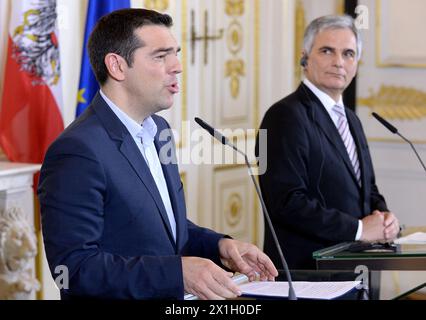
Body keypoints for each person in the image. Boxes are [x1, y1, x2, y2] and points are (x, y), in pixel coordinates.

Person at [38, 8, 277, 300]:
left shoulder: (158, 129)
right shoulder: (77, 151)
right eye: (161, 56)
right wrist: (177, 274)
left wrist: (219, 246)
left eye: (175, 54)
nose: (177, 66)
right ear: (117, 66)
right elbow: (73, 270)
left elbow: (162, 229)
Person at [256, 15, 400, 269]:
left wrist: (385, 218)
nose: (338, 62)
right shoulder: (283, 116)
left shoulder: (352, 119)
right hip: (308, 272)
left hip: (354, 265)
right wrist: (358, 229)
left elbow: (367, 189)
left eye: (348, 54)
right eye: (327, 51)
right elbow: (285, 202)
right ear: (305, 57)